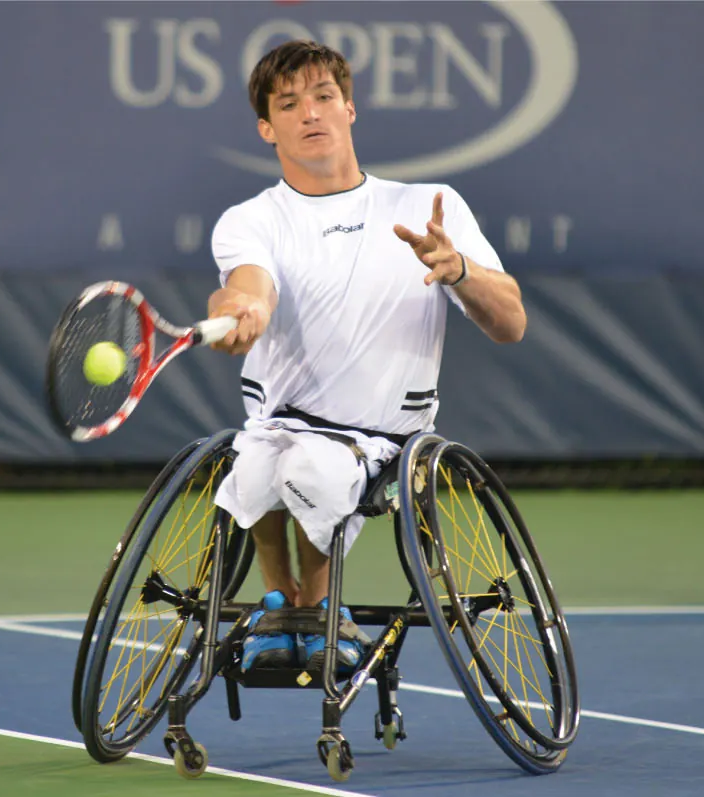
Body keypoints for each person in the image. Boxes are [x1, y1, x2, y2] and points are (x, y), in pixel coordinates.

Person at [204, 40, 527, 672]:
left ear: (349, 109)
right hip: (278, 425)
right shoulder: (250, 220)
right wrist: (242, 310)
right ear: (267, 128)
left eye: (324, 97)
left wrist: (460, 269)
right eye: (289, 104)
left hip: (383, 434)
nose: (310, 113)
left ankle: (318, 607)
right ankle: (281, 604)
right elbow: (247, 286)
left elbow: (511, 322)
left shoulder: (428, 207)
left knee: (311, 468)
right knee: (256, 463)